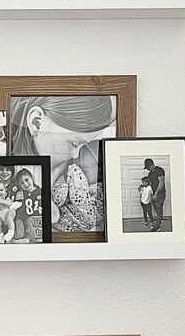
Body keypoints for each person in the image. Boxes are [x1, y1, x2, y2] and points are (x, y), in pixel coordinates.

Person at [9, 94, 116, 233]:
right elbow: (52, 217)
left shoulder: (65, 166)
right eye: (74, 143)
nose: (75, 155)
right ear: (37, 122)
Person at [144, 158, 167, 230]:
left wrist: (156, 193)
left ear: (151, 165)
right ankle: (160, 218)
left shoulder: (159, 170)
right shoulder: (150, 174)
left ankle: (157, 226)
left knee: (158, 208)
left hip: (160, 193)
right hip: (154, 194)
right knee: (156, 208)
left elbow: (161, 182)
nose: (147, 169)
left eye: (147, 168)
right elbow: (150, 184)